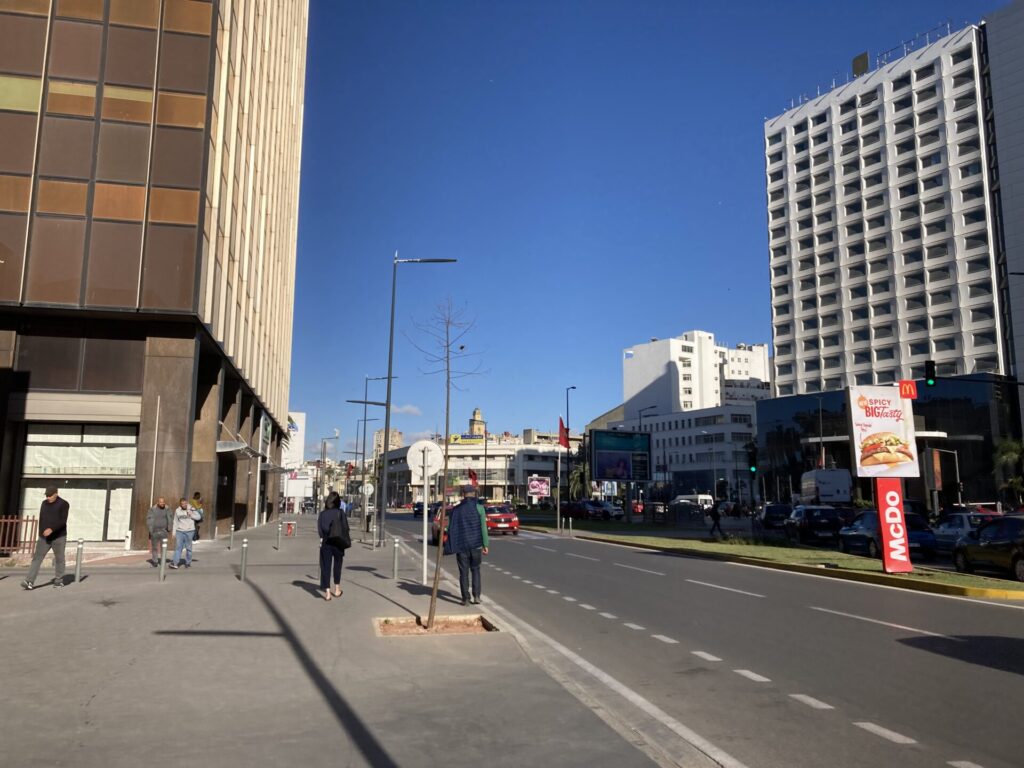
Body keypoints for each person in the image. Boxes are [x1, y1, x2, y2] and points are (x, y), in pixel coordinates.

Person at [445, 485, 489, 606]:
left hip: (461, 545)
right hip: (476, 545)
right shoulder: (479, 508)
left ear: (463, 494)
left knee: (463, 572)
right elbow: (483, 528)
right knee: (476, 570)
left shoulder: (456, 509)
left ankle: (465, 598)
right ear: (474, 494)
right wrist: (485, 544)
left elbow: (450, 527)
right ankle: (477, 596)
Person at [22, 486, 70, 590]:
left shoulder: (64, 504)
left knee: (59, 559)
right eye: (47, 495)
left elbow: (63, 521)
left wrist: (52, 529)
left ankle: (58, 581)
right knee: (36, 559)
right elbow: (42, 518)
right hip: (44, 538)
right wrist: (41, 534)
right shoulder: (44, 504)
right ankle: (29, 581)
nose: (48, 497)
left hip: (59, 537)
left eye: (50, 495)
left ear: (56, 494)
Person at [317, 491, 350, 601]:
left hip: (326, 542)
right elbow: (345, 528)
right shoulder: (340, 513)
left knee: (326, 566)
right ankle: (337, 589)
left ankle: (327, 593)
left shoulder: (322, 514)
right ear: (338, 502)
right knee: (337, 565)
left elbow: (320, 531)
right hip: (338, 542)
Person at [169, 497, 200, 569]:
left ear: (187, 503)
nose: (184, 505)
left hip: (190, 531)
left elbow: (198, 517)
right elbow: (175, 522)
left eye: (185, 503)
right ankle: (175, 563)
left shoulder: (192, 508)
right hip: (180, 531)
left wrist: (191, 515)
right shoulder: (177, 510)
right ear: (180, 504)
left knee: (189, 548)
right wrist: (174, 533)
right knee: (178, 547)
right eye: (182, 504)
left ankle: (188, 562)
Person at [146, 497, 173, 566]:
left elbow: (170, 518)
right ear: (158, 502)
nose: (162, 503)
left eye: (163, 502)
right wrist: (150, 530)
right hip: (155, 531)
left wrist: (169, 528)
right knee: (154, 547)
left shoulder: (167, 509)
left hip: (164, 531)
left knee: (163, 548)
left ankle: (163, 561)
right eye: (161, 502)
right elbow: (148, 519)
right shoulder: (152, 510)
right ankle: (155, 561)